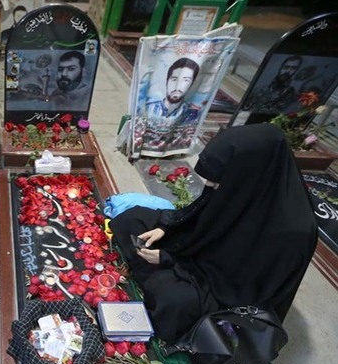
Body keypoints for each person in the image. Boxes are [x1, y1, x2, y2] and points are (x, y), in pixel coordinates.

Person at [110, 124, 318, 343]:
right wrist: (166, 228)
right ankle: (154, 274)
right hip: (199, 254)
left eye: (218, 180)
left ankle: (153, 276)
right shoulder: (247, 186)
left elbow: (239, 284)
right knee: (132, 219)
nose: (209, 185)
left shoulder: (293, 233)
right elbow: (200, 216)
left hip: (228, 290)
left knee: (173, 300)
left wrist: (171, 260)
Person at [145, 57, 200, 123]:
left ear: (191, 84)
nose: (177, 87)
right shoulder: (148, 107)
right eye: (174, 79)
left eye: (186, 80)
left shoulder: (190, 114)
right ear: (167, 81)